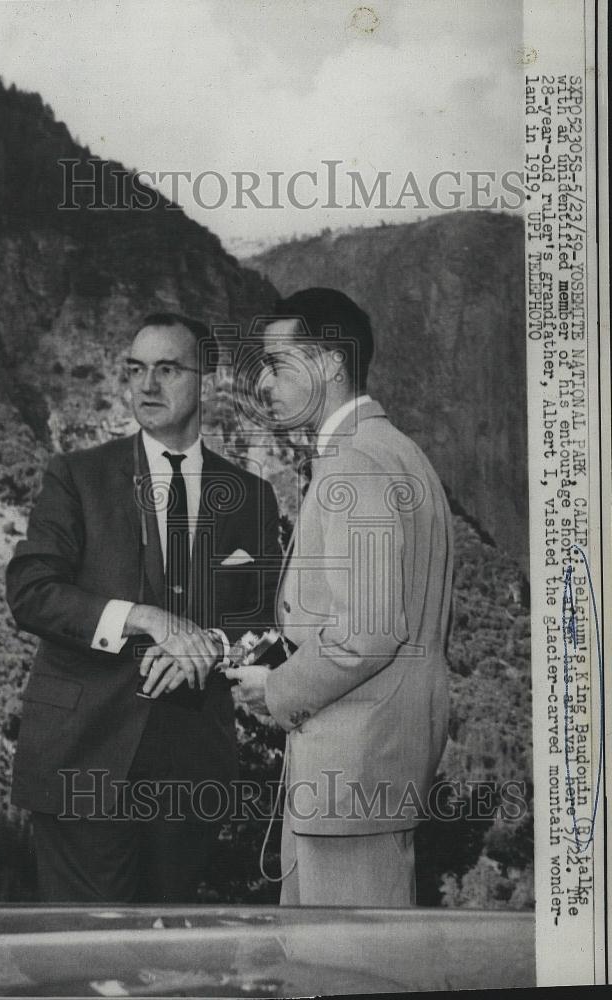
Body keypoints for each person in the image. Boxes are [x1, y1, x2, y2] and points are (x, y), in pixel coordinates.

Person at [6, 313, 281, 903]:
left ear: (205, 378)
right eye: (136, 370)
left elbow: (267, 619)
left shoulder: (252, 496)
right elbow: (31, 589)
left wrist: (209, 649)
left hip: (190, 771)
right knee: (90, 963)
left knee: (167, 960)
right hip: (79, 759)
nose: (147, 386)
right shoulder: (77, 476)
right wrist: (144, 616)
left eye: (167, 369)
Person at [228, 288, 453, 907]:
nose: (265, 385)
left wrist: (275, 690)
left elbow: (370, 630)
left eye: (277, 364)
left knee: (345, 969)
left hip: (351, 778)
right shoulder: (399, 455)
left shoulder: (355, 463)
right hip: (371, 772)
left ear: (329, 362)